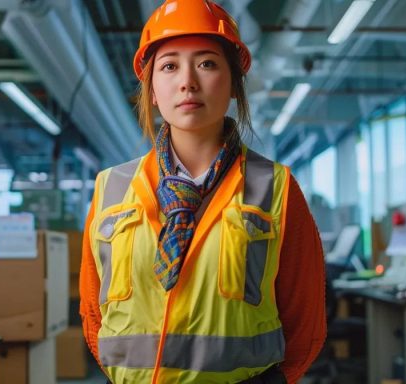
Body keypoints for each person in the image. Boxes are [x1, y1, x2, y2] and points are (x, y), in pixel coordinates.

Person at [79, 1, 326, 382]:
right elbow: (93, 313)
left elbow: (304, 319)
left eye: (207, 63)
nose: (187, 82)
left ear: (234, 84)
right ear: (152, 90)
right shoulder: (111, 187)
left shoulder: (274, 187)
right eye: (169, 66)